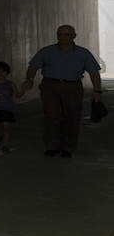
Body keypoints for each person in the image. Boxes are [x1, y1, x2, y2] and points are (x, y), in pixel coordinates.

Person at [20, 25, 103, 158]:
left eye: (67, 34)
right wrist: (29, 79)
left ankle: (68, 148)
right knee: (52, 116)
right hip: (50, 86)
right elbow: (33, 66)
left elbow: (94, 73)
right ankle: (52, 146)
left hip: (73, 87)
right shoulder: (47, 51)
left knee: (72, 117)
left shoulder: (83, 53)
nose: (63, 37)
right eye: (60, 34)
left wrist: (97, 91)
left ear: (74, 36)